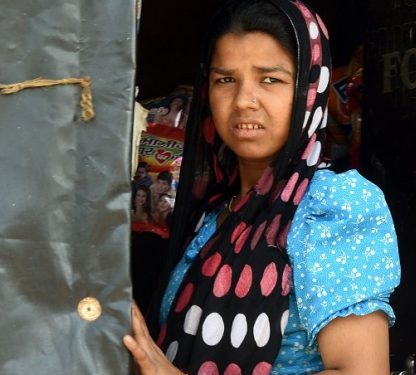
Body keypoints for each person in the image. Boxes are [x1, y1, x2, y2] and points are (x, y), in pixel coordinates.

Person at [123, 1, 401, 374]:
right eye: (226, 79)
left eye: (270, 79)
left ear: (308, 90)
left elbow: (361, 372)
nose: (243, 102)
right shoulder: (214, 216)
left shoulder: (332, 207)